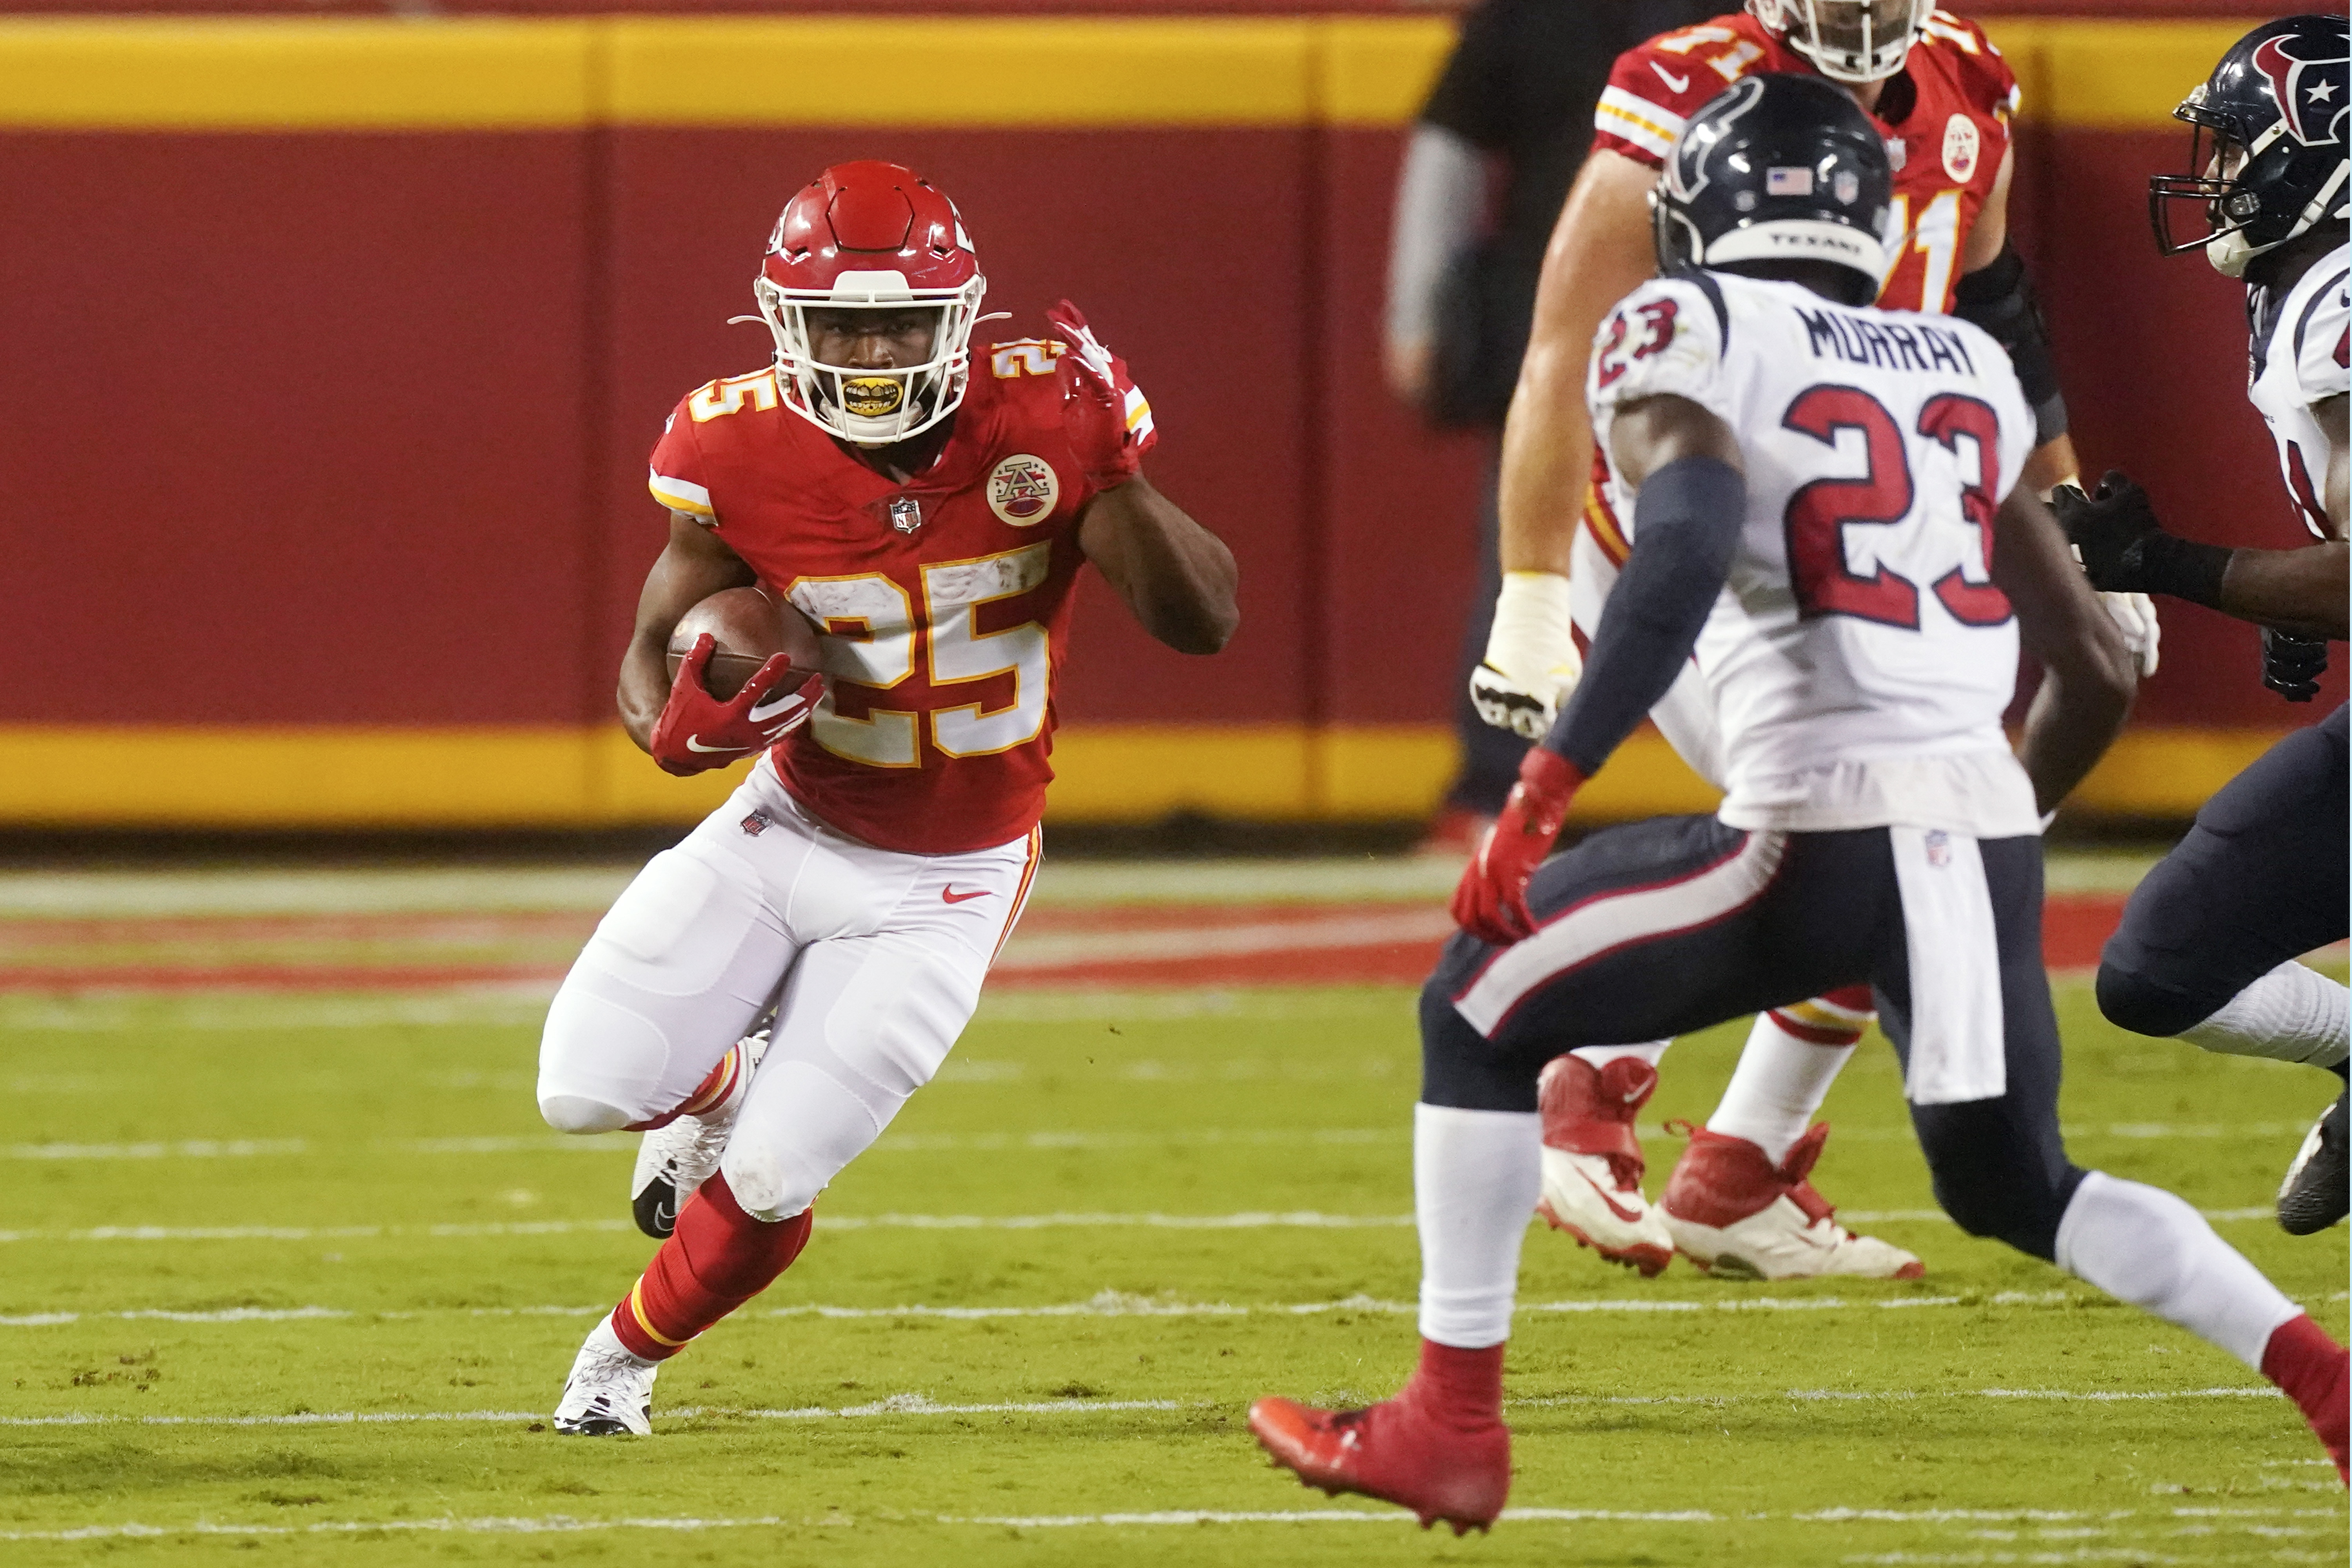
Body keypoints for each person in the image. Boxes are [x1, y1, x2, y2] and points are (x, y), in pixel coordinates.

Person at [1246, 76, 2349, 1532]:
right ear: (1874, 215)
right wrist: (1988, 833)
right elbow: (2090, 655)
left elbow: (1686, 535)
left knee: (1473, 1005)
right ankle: (2334, 1395)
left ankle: (1448, 1428)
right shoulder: (1956, 354)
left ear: (1698, 211)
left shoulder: (1685, 321)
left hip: (1806, 826)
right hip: (1964, 838)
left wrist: (1551, 776)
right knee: (2019, 1186)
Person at [532, 160, 1239, 1436]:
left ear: (959, 315)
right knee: (583, 1088)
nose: (869, 351)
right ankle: (716, 1086)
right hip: (788, 821)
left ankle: (615, 1367)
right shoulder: (727, 441)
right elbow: (650, 647)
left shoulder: (1050, 417)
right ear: (782, 321)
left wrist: (1119, 469)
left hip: (950, 876)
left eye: (900, 322)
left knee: (773, 1175)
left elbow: (1206, 622)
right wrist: (670, 733)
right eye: (842, 323)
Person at [1469, 0, 2163, 1283]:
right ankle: (1595, 1071)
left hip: (1860, 541)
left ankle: (1734, 1166)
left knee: (1941, 831)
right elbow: (1566, 353)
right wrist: (1526, 589)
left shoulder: (1966, 78)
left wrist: (2069, 514)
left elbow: (2001, 312)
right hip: (1686, 511)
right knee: (1884, 832)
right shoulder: (1684, 83)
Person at [2056, 13, 2349, 1236]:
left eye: (2236, 143)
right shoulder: (2309, 283)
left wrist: (2168, 564)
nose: (2214, 171)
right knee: (2160, 967)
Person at [1386, 0, 1715, 854]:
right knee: (1527, 559)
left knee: (1740, 543)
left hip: (1724, 320)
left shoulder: (1752, 21)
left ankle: (1789, 769)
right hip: (1564, 320)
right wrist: (1415, 307)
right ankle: (1492, 783)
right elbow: (1449, 145)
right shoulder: (1530, 15)